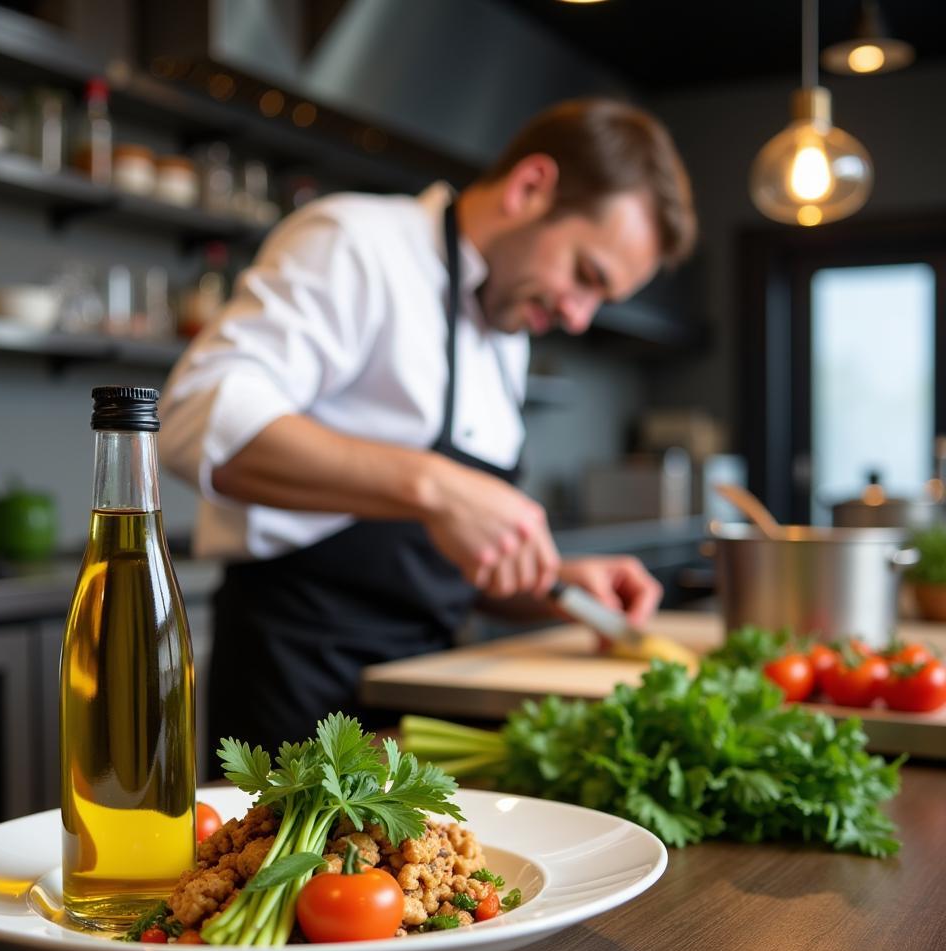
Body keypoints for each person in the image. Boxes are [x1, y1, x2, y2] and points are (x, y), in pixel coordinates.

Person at [158, 97, 697, 758]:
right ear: (531, 188)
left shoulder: (506, 323)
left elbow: (430, 557)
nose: (579, 317)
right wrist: (436, 485)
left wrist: (553, 588)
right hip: (297, 688)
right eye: (585, 276)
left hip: (415, 699)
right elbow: (195, 417)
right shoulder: (357, 242)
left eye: (600, 299)